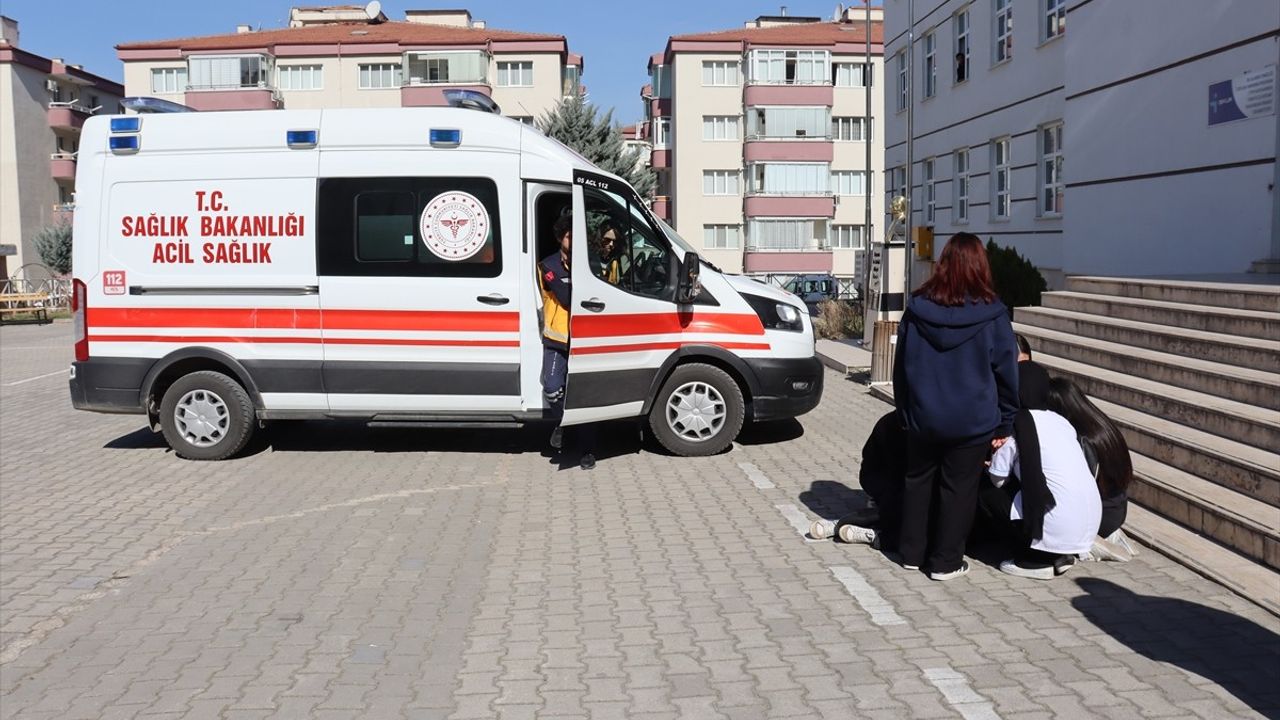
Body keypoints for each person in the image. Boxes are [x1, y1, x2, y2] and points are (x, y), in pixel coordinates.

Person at [893, 232, 1019, 580]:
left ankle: (911, 553)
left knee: (917, 482)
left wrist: (904, 410)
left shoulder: (916, 309)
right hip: (972, 421)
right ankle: (946, 562)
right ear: (980, 266)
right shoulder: (993, 315)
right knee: (958, 490)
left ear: (943, 264)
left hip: (923, 416)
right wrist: (1005, 421)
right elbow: (1007, 373)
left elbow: (901, 365)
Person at [980, 362, 1103, 579]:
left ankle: (1032, 560)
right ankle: (1059, 555)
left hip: (1057, 521)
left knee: (986, 491)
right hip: (1088, 525)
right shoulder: (1062, 422)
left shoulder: (1017, 424)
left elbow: (998, 480)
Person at [1046, 377, 1138, 561]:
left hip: (1096, 515)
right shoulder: (1102, 426)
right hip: (1118, 507)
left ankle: (1088, 541)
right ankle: (1109, 533)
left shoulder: (1079, 438)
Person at [539, 214, 596, 470]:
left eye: (577, 236)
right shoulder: (548, 266)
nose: (572, 240)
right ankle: (563, 425)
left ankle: (586, 451)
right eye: (568, 235)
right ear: (560, 237)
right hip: (557, 340)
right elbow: (566, 296)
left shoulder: (589, 265)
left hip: (585, 341)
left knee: (582, 397)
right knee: (552, 388)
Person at [809, 411, 905, 546]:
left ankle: (872, 534)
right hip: (892, 487)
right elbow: (870, 467)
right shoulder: (892, 422)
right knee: (901, 507)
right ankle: (844, 524)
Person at [589, 220, 623, 286]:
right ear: (600, 237)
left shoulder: (616, 260)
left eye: (615, 241)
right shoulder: (590, 258)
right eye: (607, 240)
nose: (611, 244)